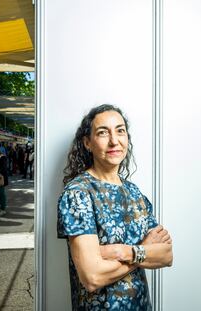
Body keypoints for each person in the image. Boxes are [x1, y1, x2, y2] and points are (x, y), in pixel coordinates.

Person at [57, 104, 173, 310]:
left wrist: (121, 251)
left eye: (120, 131)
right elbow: (92, 276)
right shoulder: (78, 193)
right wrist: (143, 251)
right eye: (103, 133)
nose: (114, 140)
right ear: (87, 143)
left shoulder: (134, 192)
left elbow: (166, 255)